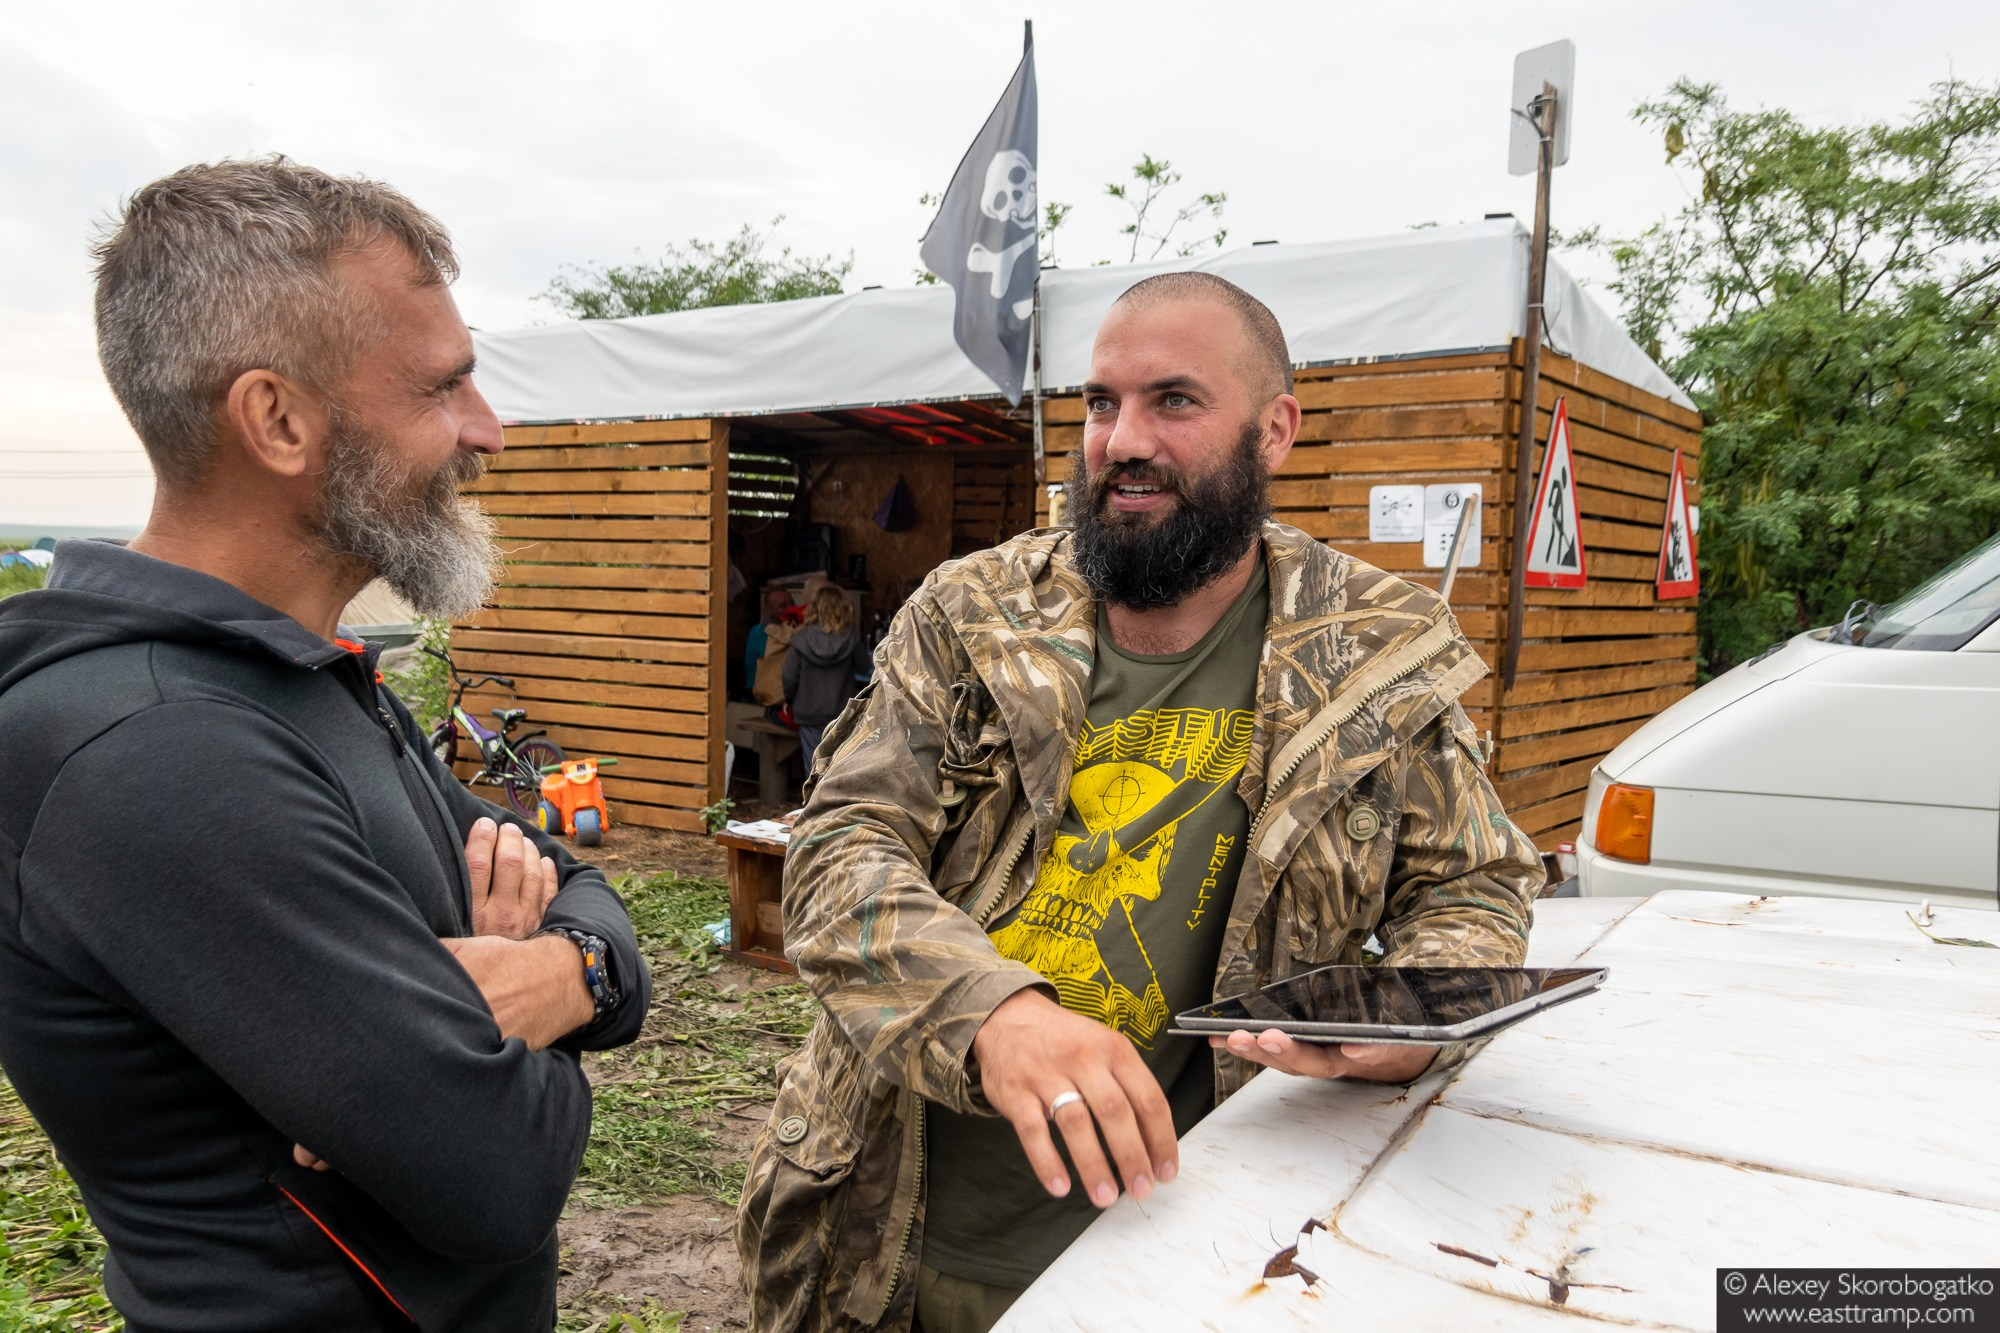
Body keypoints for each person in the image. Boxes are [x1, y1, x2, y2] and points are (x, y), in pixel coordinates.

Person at [736, 272, 1542, 1333]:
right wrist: (992, 1012)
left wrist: (1412, 1022)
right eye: (1100, 402)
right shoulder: (971, 613)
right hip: (898, 1238)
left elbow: (1472, 886)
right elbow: (844, 843)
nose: (1120, 439)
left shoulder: (1372, 653)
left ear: (1273, 430)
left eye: (1173, 400)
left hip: (1198, 1248)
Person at [0, 158, 652, 1331]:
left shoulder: (297, 674)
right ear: (280, 420)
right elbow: (502, 1174)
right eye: (443, 388)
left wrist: (563, 969)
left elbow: (584, 884)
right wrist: (503, 989)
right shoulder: (157, 747)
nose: (487, 432)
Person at [781, 585, 872, 772]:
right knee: (838, 766)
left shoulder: (800, 639)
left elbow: (789, 677)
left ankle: (814, 800)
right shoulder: (852, 638)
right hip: (842, 712)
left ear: (814, 608)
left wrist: (788, 699)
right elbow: (865, 667)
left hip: (809, 712)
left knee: (813, 766)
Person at [745, 586, 796, 697]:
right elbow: (751, 671)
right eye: (783, 605)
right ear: (768, 610)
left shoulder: (801, 631)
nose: (790, 608)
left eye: (792, 603)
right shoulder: (759, 633)